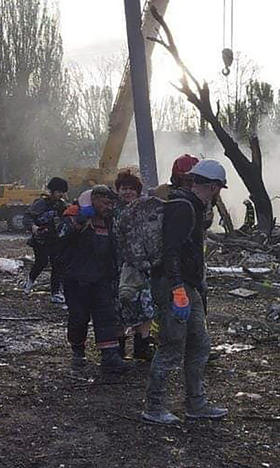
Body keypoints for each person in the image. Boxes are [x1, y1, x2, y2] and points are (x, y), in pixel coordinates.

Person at [142, 159, 229, 425]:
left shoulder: (191, 206)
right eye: (219, 189)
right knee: (171, 345)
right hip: (174, 285)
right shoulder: (183, 207)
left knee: (199, 344)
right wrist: (178, 288)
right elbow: (171, 251)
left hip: (187, 285)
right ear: (214, 187)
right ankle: (154, 407)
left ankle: (196, 404)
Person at [59, 185, 130, 373]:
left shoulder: (110, 220)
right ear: (94, 199)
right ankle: (78, 352)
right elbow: (61, 236)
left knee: (106, 317)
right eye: (105, 203)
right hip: (76, 278)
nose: (109, 207)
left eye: (111, 203)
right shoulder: (74, 213)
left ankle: (109, 357)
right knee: (79, 317)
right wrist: (82, 218)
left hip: (103, 278)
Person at [113, 169, 156, 361]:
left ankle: (142, 346)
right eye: (124, 188)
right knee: (121, 306)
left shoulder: (147, 209)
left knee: (146, 307)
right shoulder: (112, 210)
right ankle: (118, 348)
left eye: (131, 188)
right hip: (119, 267)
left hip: (144, 266)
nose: (127, 192)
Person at [24, 177, 68, 304]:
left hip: (55, 239)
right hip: (40, 239)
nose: (61, 194)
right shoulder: (41, 203)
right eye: (59, 191)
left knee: (57, 265)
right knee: (41, 262)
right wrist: (33, 227)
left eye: (62, 192)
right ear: (52, 191)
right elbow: (27, 217)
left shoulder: (61, 204)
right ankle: (29, 282)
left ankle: (55, 293)